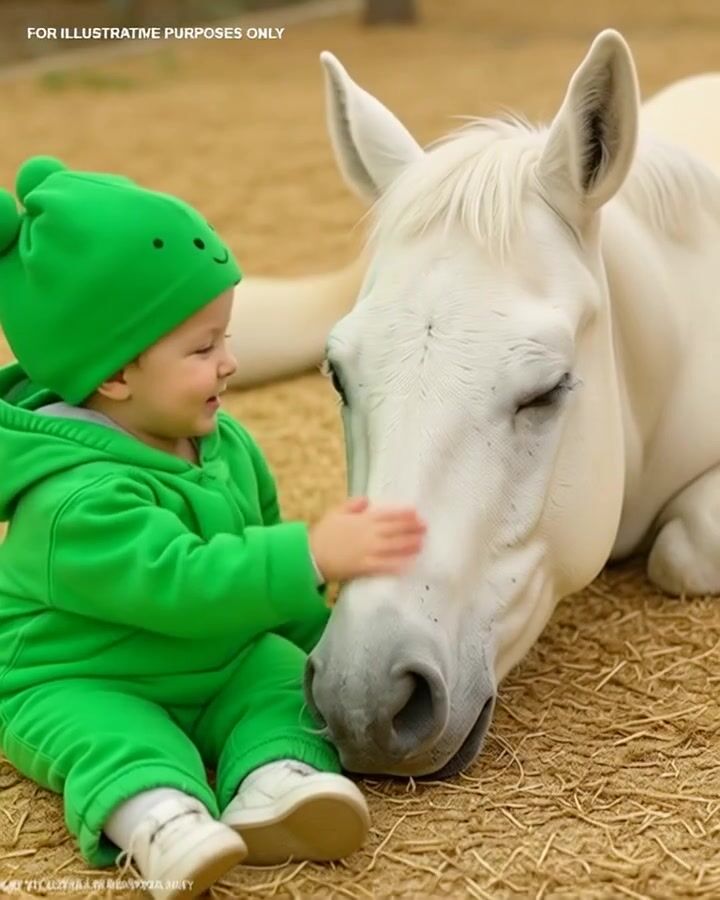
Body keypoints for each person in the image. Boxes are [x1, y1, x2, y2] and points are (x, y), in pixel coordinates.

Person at [0, 157, 426, 900]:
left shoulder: (223, 445)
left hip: (214, 655)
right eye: (203, 349)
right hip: (81, 672)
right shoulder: (72, 500)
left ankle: (277, 780)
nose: (231, 364)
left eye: (225, 337)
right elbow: (182, 582)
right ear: (115, 376)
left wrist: (318, 638)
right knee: (116, 738)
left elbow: (261, 572)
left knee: (287, 686)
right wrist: (310, 554)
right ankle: (161, 819)